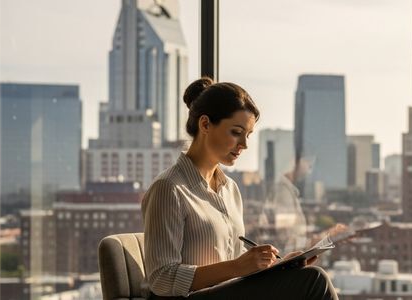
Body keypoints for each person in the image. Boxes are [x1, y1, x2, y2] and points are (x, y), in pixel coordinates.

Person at [142, 77, 338, 299]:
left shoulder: (230, 189)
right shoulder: (168, 188)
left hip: (225, 293)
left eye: (248, 135)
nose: (244, 145)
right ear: (205, 124)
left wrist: (280, 266)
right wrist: (239, 266)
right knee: (314, 281)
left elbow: (235, 267)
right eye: (236, 132)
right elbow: (161, 278)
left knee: (307, 277)